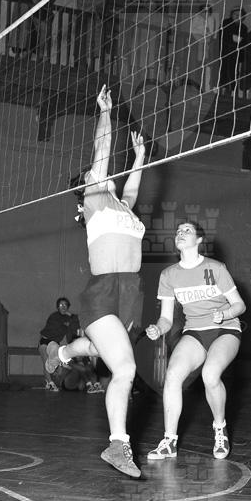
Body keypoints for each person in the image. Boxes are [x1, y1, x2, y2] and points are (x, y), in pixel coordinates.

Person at [45, 85, 147, 477]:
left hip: (131, 292)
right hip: (103, 290)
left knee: (102, 351)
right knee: (125, 369)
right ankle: (118, 445)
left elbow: (132, 188)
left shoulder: (124, 207)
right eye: (98, 174)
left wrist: (140, 157)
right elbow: (101, 151)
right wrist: (105, 114)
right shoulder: (94, 199)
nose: (105, 175)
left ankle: (63, 354)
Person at [145, 221, 246, 461]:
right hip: (195, 332)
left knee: (210, 375)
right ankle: (169, 441)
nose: (180, 233)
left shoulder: (215, 268)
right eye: (178, 231)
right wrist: (158, 328)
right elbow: (166, 319)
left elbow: (240, 305)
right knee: (172, 375)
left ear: (199, 240)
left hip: (225, 329)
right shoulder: (169, 275)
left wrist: (225, 314)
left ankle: (220, 429)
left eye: (187, 230)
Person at [38, 296, 82, 391]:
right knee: (46, 362)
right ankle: (50, 383)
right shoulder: (54, 316)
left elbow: (77, 323)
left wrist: (70, 316)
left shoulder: (69, 318)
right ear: (57, 307)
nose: (63, 307)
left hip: (55, 343)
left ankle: (52, 380)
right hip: (45, 341)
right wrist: (67, 322)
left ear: (68, 307)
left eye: (65, 305)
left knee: (56, 365)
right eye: (61, 305)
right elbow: (55, 329)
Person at [75, 0, 105, 67]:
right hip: (83, 20)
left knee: (94, 43)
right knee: (81, 42)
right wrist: (93, 7)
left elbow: (101, 8)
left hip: (96, 22)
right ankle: (80, 63)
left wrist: (91, 7)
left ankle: (90, 64)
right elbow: (80, 6)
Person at [218, 7, 248, 93]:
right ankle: (222, 90)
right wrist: (233, 38)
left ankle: (231, 91)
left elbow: (244, 41)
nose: (237, 16)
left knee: (234, 72)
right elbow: (223, 36)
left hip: (236, 54)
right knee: (223, 71)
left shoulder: (243, 27)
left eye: (240, 15)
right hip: (224, 52)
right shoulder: (226, 23)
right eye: (235, 14)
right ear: (231, 15)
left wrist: (239, 40)